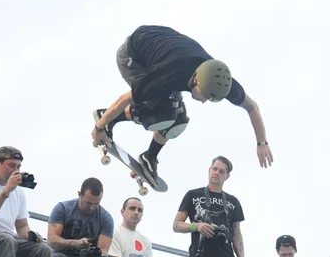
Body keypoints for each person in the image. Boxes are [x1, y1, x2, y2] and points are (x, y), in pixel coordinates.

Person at [91, 25, 273, 185]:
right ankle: (107, 119)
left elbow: (252, 107)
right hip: (134, 54)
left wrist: (262, 142)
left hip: (167, 49)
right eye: (203, 96)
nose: (203, 102)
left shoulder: (222, 81)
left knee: (179, 120)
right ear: (195, 80)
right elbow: (126, 99)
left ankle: (149, 157)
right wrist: (99, 127)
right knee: (162, 114)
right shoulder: (166, 75)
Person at [48, 178, 144, 257]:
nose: (92, 207)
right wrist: (73, 243)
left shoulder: (106, 218)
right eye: (88, 203)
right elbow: (51, 240)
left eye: (96, 204)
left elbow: (103, 250)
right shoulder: (63, 208)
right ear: (79, 194)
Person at [173, 156, 245, 257]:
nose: (217, 173)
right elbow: (176, 225)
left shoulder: (233, 201)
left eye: (221, 171)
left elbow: (237, 233)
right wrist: (196, 226)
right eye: (215, 169)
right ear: (209, 170)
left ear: (227, 176)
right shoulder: (193, 195)